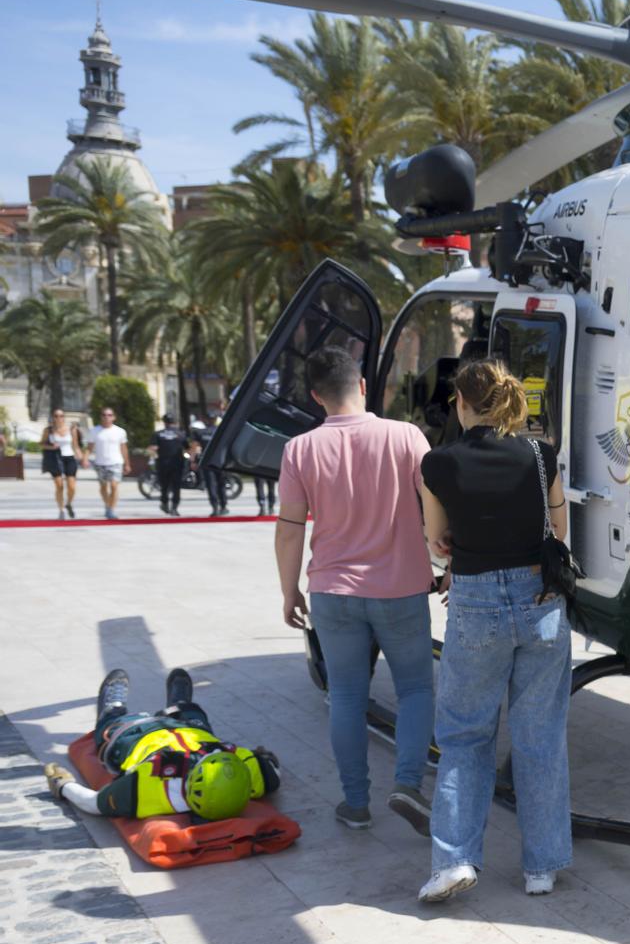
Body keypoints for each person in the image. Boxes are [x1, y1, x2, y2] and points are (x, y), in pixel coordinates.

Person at [410, 360, 572, 901]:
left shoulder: (438, 464)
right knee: (540, 736)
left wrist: (459, 543)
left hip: (475, 600)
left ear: (461, 403)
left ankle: (455, 860)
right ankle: (541, 868)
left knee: (464, 735)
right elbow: (558, 524)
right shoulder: (539, 452)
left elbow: (438, 541)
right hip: (541, 600)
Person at [274, 346, 436, 832]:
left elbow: (289, 527)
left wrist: (289, 591)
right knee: (414, 688)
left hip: (332, 590)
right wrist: (446, 558)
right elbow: (436, 501)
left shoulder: (298, 449)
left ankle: (356, 803)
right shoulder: (407, 436)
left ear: (316, 396)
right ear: (363, 384)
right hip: (402, 586)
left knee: (345, 694)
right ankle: (407, 784)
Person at [44, 667, 279, 821]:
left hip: (136, 735)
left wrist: (63, 785)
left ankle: (112, 708)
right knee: (192, 714)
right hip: (193, 732)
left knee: (109, 729)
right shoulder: (252, 772)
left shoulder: (149, 788)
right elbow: (272, 768)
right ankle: (179, 703)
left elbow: (94, 803)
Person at [39, 404, 82, 519]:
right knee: (59, 486)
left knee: (72, 486)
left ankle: (68, 504)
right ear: (53, 417)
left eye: (61, 416)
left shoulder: (71, 429)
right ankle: (61, 509)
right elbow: (41, 444)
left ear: (64, 417)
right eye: (56, 416)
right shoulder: (48, 430)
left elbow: (75, 445)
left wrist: (82, 457)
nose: (59, 418)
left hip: (69, 458)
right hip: (55, 459)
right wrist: (51, 447)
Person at [86, 405, 128, 519]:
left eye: (109, 415)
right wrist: (85, 459)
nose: (106, 417)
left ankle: (111, 510)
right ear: (101, 417)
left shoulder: (120, 431)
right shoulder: (94, 431)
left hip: (116, 462)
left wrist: (127, 464)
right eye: (104, 415)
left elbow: (123, 448)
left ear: (113, 417)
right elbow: (89, 447)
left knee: (114, 486)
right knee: (103, 487)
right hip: (100, 463)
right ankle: (107, 505)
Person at [151, 418, 187, 516]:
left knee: (164, 486)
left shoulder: (158, 434)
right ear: (175, 423)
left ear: (165, 422)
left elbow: (153, 448)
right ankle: (174, 508)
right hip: (177, 464)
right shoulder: (181, 434)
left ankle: (164, 503)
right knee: (176, 487)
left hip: (163, 464)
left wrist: (152, 460)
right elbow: (187, 447)